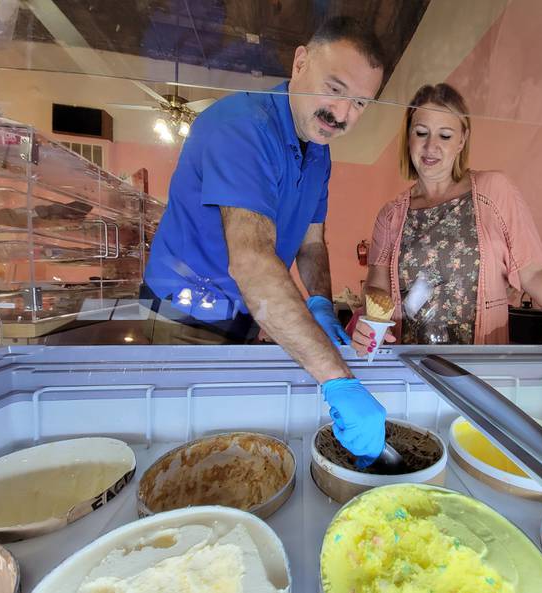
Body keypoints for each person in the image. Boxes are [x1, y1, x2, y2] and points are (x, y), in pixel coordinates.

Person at [144, 17, 387, 462]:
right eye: (335, 89)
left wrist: (321, 306)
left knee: (242, 444)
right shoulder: (243, 125)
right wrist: (338, 381)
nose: (343, 114)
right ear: (300, 62)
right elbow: (252, 259)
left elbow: (312, 242)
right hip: (187, 319)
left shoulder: (319, 151)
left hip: (250, 316)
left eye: (360, 103)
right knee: (196, 453)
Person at [351, 83, 542, 354]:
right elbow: (378, 292)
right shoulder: (390, 215)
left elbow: (534, 272)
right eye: (421, 132)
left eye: (445, 135)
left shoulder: (494, 191)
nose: (431, 146)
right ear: (408, 136)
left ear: (461, 141)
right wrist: (367, 327)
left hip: (480, 368)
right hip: (411, 366)